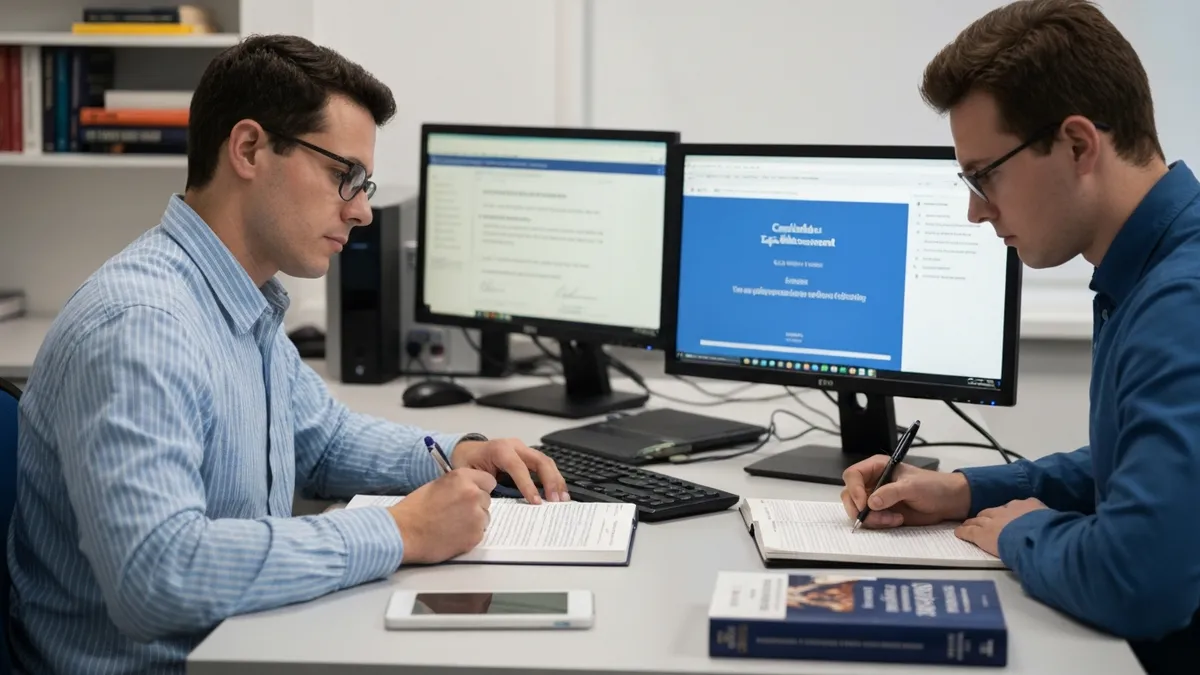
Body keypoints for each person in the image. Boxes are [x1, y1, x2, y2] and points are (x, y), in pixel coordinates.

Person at [6, 34, 569, 675]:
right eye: (342, 176)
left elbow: (322, 440)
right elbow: (155, 578)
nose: (361, 212)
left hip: (241, 649)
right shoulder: (142, 327)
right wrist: (401, 531)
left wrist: (458, 452)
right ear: (249, 149)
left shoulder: (242, 298)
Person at [839, 1, 1199, 672]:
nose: (975, 210)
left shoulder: (1183, 300)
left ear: (1078, 144)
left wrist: (1022, 532)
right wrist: (970, 491)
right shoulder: (1147, 269)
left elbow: (1141, 581)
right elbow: (1136, 469)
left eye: (984, 175)